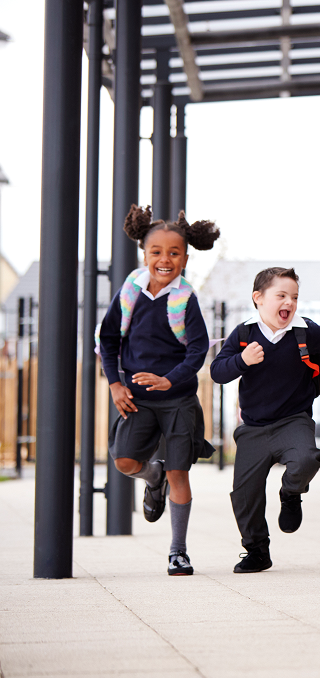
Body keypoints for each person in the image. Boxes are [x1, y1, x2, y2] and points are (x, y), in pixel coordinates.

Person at [98, 204, 219, 577]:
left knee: (179, 474)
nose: (165, 259)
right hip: (137, 398)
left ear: (185, 257)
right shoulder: (130, 291)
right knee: (125, 462)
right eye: (157, 252)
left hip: (178, 400)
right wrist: (115, 384)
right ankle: (153, 478)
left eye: (174, 253)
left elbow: (198, 349)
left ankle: (177, 552)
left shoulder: (185, 299)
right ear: (144, 253)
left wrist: (171, 379)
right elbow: (108, 339)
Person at [210, 267, 320, 573]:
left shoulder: (307, 332)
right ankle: (257, 551)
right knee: (244, 495)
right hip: (253, 429)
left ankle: (291, 493)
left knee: (307, 459)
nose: (289, 302)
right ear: (258, 299)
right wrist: (241, 361)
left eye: (295, 297)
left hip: (293, 421)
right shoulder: (244, 334)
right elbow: (217, 372)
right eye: (281, 295)